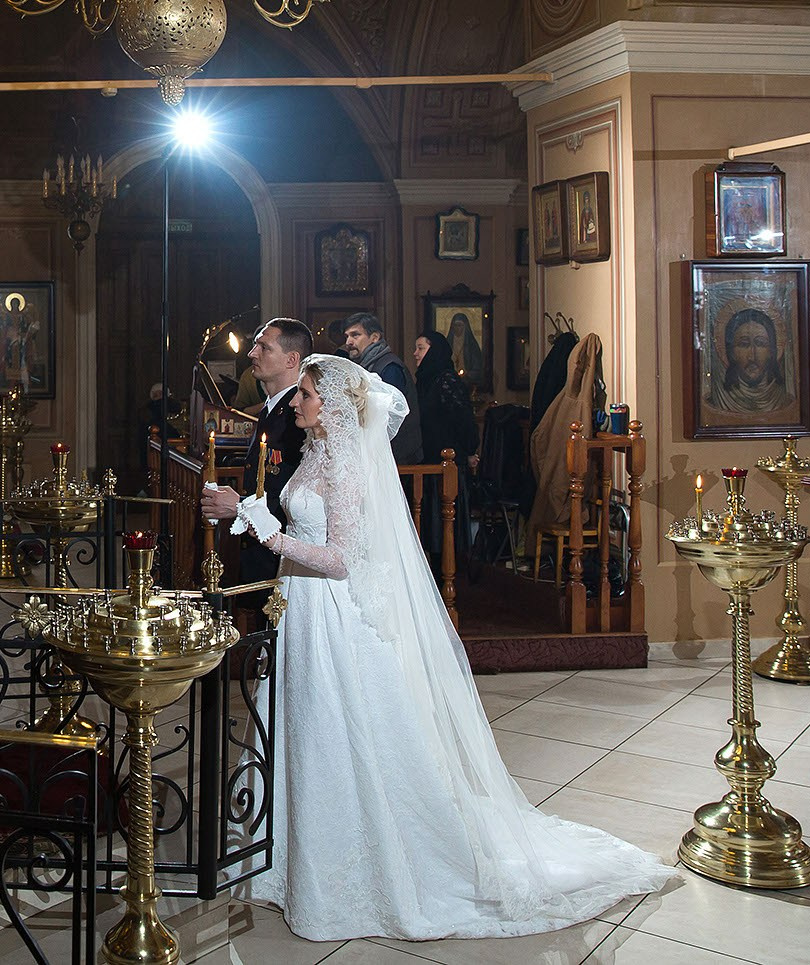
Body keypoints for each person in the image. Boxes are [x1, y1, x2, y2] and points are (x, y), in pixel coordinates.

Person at [232, 355, 671, 940]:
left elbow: (340, 560)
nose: (297, 402)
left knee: (340, 727)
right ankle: (292, 855)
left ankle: (362, 866)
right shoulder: (317, 452)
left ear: (332, 405)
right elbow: (308, 529)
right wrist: (261, 518)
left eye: (306, 393)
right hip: (303, 607)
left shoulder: (348, 469)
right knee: (304, 724)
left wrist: (269, 534)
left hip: (334, 611)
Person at [199, 319, 312, 587]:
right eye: (254, 346)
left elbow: (301, 497)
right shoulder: (271, 408)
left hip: (284, 553)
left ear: (291, 359)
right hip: (259, 547)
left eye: (264, 347)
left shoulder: (299, 416)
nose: (252, 354)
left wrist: (239, 505)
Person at [413, 329, 479, 561]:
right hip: (428, 459)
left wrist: (470, 449)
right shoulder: (425, 380)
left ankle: (448, 569)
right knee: (431, 523)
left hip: (447, 461)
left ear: (435, 351)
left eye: (421, 348)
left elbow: (463, 419)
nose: (415, 353)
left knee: (446, 522)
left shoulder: (446, 380)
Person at [341, 313, 423, 465]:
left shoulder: (389, 367)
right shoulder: (366, 365)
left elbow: (389, 415)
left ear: (375, 337)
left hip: (397, 456)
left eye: (355, 335)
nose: (349, 342)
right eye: (347, 336)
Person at [708, 306, 787, 416]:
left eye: (760, 343)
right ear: (731, 353)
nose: (752, 357)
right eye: (744, 344)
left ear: (771, 351)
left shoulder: (786, 401)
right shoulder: (715, 402)